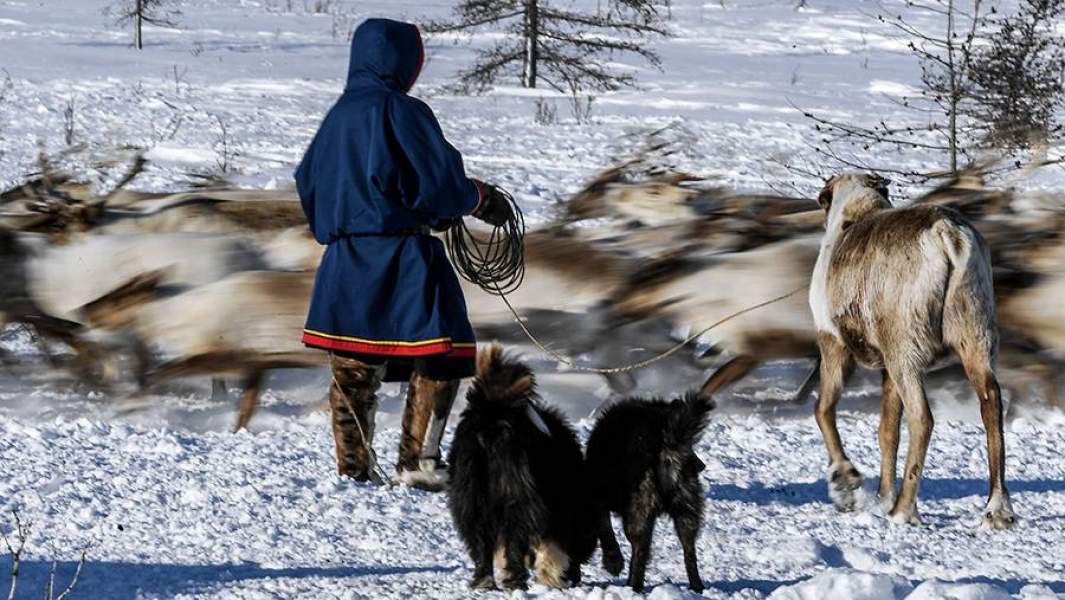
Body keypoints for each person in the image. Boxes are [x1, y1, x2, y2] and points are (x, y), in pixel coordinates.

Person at [295, 18, 512, 490]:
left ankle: (352, 470)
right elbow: (438, 183)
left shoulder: (336, 117)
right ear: (405, 62)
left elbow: (307, 182)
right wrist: (478, 200)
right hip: (402, 259)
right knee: (444, 352)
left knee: (353, 367)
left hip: (345, 262)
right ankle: (420, 461)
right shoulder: (403, 111)